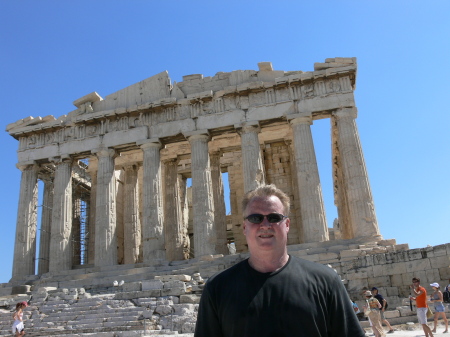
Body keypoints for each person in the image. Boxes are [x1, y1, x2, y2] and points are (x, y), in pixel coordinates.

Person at [194, 184, 365, 337]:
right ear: (244, 227)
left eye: (274, 218)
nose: (265, 225)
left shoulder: (326, 281)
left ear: (287, 224)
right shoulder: (217, 288)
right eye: (255, 218)